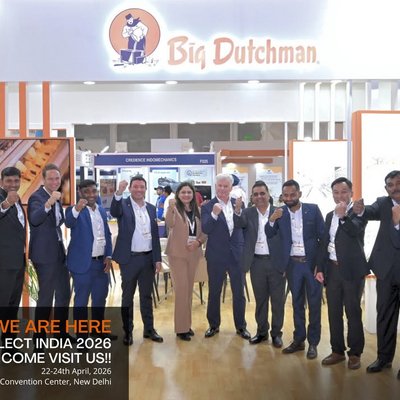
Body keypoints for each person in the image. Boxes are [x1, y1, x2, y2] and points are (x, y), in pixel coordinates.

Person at [266, 179, 324, 359]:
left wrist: (320, 265)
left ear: (299, 194)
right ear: (282, 196)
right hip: (292, 265)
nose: (289, 198)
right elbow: (269, 233)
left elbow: (323, 238)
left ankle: (313, 343)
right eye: (286, 195)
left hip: (311, 265)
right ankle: (299, 340)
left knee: (314, 304)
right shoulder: (280, 212)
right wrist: (271, 220)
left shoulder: (313, 210)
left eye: (292, 194)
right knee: (297, 303)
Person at [315, 177, 369, 370]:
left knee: (353, 312)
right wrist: (320, 267)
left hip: (352, 271)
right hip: (332, 269)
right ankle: (337, 350)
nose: (340, 196)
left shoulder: (359, 212)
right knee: (333, 312)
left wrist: (344, 216)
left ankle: (355, 353)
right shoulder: (330, 215)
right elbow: (325, 242)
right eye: (336, 192)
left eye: (344, 192)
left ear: (351, 193)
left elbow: (355, 232)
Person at [353, 170, 400, 379]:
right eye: (390, 185)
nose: (395, 188)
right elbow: (368, 212)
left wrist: (397, 224)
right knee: (385, 316)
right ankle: (384, 358)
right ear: (386, 189)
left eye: (398, 183)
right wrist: (360, 210)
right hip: (386, 272)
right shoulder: (383, 203)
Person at [110, 176, 163, 346]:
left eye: (142, 187)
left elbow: (155, 236)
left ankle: (149, 329)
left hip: (148, 259)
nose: (139, 189)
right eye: (135, 186)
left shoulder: (151, 208)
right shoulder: (123, 205)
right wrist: (119, 192)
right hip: (129, 260)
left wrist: (157, 259)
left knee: (146, 296)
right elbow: (114, 211)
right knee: (127, 297)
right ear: (130, 188)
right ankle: (128, 332)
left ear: (146, 189)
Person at [233, 180, 285, 347]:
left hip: (276, 263)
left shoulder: (280, 212)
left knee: (277, 301)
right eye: (255, 194)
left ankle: (276, 333)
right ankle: (262, 332)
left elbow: (286, 238)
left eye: (262, 193)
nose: (259, 197)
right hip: (256, 263)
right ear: (252, 197)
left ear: (268, 195)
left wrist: (285, 263)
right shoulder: (247, 213)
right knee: (261, 300)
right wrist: (237, 210)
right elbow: (238, 224)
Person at [65, 179, 117, 341]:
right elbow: (69, 222)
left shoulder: (101, 210)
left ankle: (97, 330)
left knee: (100, 298)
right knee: (81, 301)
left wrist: (109, 255)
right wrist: (77, 208)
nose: (91, 195)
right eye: (86, 192)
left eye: (94, 191)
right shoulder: (74, 210)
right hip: (82, 264)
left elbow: (107, 234)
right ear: (80, 192)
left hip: (101, 263)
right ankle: (82, 337)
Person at [201, 173, 250, 339]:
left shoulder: (239, 203)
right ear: (215, 187)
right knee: (214, 291)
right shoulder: (207, 206)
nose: (222, 189)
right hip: (216, 255)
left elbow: (243, 225)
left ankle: (241, 326)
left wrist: (238, 211)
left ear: (231, 187)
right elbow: (206, 229)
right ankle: (213, 325)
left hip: (236, 255)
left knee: (239, 292)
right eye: (219, 186)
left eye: (225, 186)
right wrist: (214, 214)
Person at [27, 163, 72, 347]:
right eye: (51, 178)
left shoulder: (56, 196)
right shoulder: (37, 197)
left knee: (64, 294)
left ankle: (60, 333)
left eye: (57, 178)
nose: (55, 181)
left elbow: (57, 222)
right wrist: (49, 203)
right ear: (43, 179)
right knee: (46, 298)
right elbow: (35, 219)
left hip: (59, 253)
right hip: (44, 256)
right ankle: (39, 340)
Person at [164, 181, 207, 341]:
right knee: (181, 291)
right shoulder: (174, 208)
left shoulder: (198, 211)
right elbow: (169, 224)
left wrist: (198, 242)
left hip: (193, 253)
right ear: (178, 194)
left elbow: (204, 232)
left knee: (188, 291)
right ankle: (181, 328)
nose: (186, 195)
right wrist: (170, 208)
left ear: (193, 194)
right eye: (183, 192)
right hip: (177, 255)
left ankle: (187, 325)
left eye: (189, 192)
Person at [0, 167, 26, 352]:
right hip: (3, 264)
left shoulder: (17, 199)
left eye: (16, 181)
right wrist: (5, 204)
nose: (13, 184)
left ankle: (9, 345)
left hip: (18, 262)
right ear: (1, 181)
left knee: (12, 306)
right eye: (9, 181)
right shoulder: (5, 200)